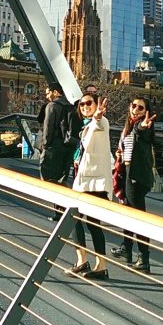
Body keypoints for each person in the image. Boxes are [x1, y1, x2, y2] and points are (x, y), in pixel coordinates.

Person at [68, 93, 112, 280]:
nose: (85, 106)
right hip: (84, 180)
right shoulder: (85, 125)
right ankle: (82, 260)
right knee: (75, 220)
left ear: (96, 105)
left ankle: (100, 266)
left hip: (95, 182)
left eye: (89, 103)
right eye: (82, 104)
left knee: (92, 224)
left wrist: (98, 116)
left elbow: (98, 124)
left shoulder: (101, 122)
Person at [110, 95, 156, 273]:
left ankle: (143, 257)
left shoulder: (143, 127)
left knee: (138, 216)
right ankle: (127, 248)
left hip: (137, 175)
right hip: (128, 171)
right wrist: (120, 154)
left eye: (140, 108)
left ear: (146, 112)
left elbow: (141, 130)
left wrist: (143, 125)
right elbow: (128, 145)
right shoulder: (128, 125)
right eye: (133, 105)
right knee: (128, 212)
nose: (135, 109)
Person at [39, 82, 79, 221]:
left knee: (50, 179)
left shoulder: (52, 106)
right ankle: (64, 210)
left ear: (55, 92)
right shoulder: (71, 106)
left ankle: (59, 211)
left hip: (54, 147)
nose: (47, 96)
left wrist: (45, 145)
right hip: (68, 146)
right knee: (62, 178)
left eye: (48, 93)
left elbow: (48, 127)